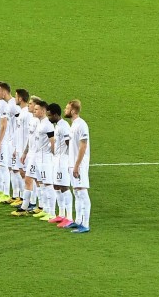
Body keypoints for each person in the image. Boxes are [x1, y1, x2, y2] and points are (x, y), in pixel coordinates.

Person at [66, 99, 91, 233]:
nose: (65, 110)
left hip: (79, 164)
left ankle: (85, 224)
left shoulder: (81, 125)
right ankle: (78, 221)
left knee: (82, 192)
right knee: (76, 192)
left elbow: (83, 146)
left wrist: (77, 165)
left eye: (67, 108)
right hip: (73, 164)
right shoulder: (74, 125)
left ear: (73, 110)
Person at [49, 103, 75, 227]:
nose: (48, 118)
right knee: (56, 186)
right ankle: (61, 214)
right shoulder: (57, 126)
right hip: (57, 160)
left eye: (50, 115)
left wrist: (71, 159)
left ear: (55, 114)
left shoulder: (64, 126)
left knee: (64, 187)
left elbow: (69, 143)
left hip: (63, 161)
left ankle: (69, 217)